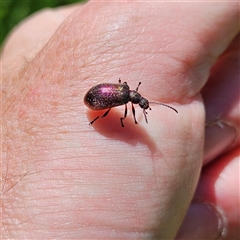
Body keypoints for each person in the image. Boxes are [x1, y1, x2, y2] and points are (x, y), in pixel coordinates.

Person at [2, 2, 239, 239]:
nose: (143, 106)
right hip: (98, 98)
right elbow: (119, 109)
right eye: (143, 105)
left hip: (99, 95)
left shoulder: (126, 91)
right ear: (137, 97)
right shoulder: (125, 96)